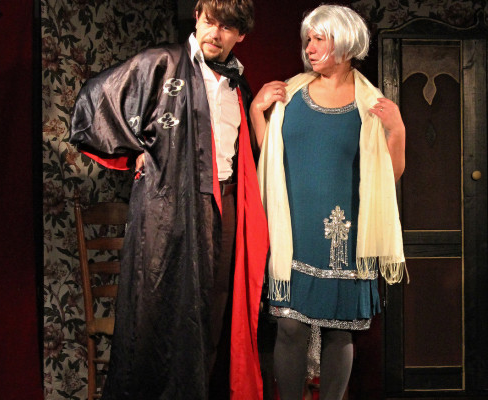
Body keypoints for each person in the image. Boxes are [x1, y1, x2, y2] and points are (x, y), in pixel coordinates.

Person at [70, 1, 269, 399]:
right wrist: (136, 149)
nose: (215, 33)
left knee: (215, 309)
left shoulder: (236, 82)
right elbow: (93, 103)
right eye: (210, 21)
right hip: (169, 204)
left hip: (224, 202)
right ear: (197, 15)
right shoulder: (161, 63)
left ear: (241, 35)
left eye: (226, 27)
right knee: (158, 307)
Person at [250, 4, 406, 400]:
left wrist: (397, 131)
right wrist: (256, 114)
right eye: (308, 39)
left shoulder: (370, 104)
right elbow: (272, 160)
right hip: (296, 232)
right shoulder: (291, 93)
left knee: (340, 329)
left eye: (319, 38)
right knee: (289, 327)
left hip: (346, 234)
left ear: (346, 43)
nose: (310, 47)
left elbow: (388, 177)